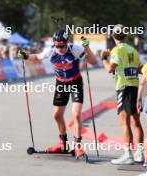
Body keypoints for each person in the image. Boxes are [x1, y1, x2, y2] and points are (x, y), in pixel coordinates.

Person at [18, 29, 96, 158]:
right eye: (56, 45)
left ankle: (77, 145)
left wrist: (87, 47)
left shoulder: (74, 49)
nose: (59, 48)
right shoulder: (50, 50)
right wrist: (25, 56)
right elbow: (37, 57)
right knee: (57, 115)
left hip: (75, 82)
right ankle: (63, 144)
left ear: (67, 42)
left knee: (76, 114)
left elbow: (92, 61)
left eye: (61, 45)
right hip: (61, 84)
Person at [102, 24, 144, 164]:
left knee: (124, 122)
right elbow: (141, 69)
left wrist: (103, 59)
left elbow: (110, 69)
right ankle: (140, 152)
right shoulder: (133, 50)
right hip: (134, 86)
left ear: (112, 36)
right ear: (125, 35)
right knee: (136, 122)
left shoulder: (116, 50)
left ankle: (128, 154)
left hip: (123, 87)